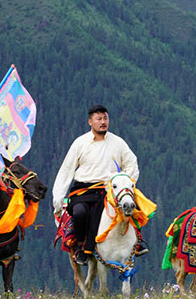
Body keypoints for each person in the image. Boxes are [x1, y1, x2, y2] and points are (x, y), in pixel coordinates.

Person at [52, 105, 147, 265]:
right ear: (90, 122)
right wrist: (58, 198)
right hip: (83, 190)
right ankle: (81, 247)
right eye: (99, 119)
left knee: (130, 205)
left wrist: (124, 183)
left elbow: (132, 164)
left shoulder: (118, 143)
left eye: (105, 118)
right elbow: (66, 170)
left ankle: (135, 242)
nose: (103, 122)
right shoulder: (80, 143)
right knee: (80, 212)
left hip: (110, 190)